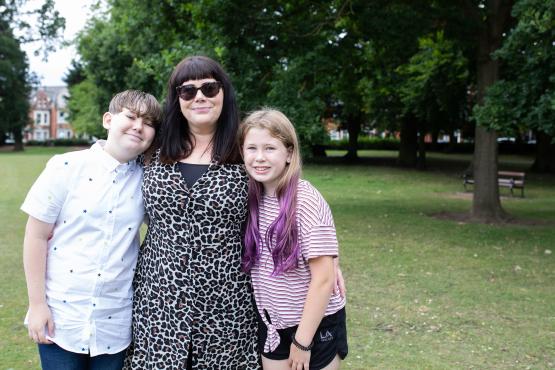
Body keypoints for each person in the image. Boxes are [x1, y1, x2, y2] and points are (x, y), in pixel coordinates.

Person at [125, 56, 260, 369]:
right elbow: (108, 178)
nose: (200, 96)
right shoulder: (151, 151)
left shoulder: (246, 150)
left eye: (209, 88)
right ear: (177, 100)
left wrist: (320, 258)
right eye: (188, 91)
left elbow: (282, 203)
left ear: (224, 93)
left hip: (226, 306)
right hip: (158, 303)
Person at [21, 90, 162, 370]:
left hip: (115, 321)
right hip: (62, 317)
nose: (138, 126)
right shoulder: (65, 166)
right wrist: (37, 305)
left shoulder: (150, 180)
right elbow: (35, 236)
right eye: (131, 117)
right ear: (108, 120)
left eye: (148, 122)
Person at [239, 108, 348, 370]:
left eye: (270, 148)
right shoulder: (252, 196)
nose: (259, 158)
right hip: (273, 324)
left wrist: (302, 343)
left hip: (315, 325)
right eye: (251, 148)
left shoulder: (305, 200)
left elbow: (323, 279)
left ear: (289, 153)